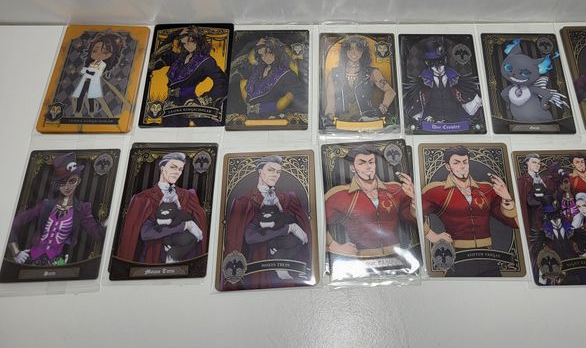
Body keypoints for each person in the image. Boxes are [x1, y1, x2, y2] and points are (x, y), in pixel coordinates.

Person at [422, 146, 518, 276]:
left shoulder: (487, 189)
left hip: (487, 256)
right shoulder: (436, 190)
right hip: (457, 255)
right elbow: (413, 215)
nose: (462, 166)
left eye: (465, 162)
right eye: (456, 163)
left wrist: (507, 198)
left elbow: (515, 223)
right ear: (448, 166)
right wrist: (432, 236)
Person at [224, 155, 311, 287]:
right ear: (260, 171)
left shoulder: (287, 198)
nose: (275, 175)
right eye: (271, 170)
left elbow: (303, 233)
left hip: (287, 263)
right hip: (258, 262)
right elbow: (248, 237)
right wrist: (288, 228)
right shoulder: (245, 201)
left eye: (278, 172)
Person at [8, 152, 107, 266]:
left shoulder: (82, 208)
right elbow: (13, 223)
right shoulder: (45, 205)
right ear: (57, 184)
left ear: (78, 181)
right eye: (62, 183)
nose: (67, 187)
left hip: (58, 261)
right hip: (32, 258)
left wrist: (113, 216)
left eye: (72, 181)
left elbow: (97, 234)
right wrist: (15, 251)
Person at [325, 146, 416, 258]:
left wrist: (415, 200)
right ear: (353, 168)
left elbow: (414, 219)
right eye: (362, 163)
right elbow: (316, 221)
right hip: (361, 259)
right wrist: (333, 246)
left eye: (371, 162)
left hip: (397, 256)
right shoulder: (339, 195)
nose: (368, 167)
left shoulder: (395, 189)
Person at [116, 153, 207, 264]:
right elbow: (143, 234)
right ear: (162, 168)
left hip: (184, 259)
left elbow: (200, 232)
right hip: (152, 259)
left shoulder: (188, 196)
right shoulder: (143, 198)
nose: (177, 172)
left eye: (180, 169)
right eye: (173, 167)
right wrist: (184, 225)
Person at [150, 26, 228, 126]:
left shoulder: (206, 61)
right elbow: (156, 58)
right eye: (184, 43)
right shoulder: (178, 58)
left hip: (189, 104)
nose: (187, 45)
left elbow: (223, 83)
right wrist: (175, 33)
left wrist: (202, 101)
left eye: (191, 41)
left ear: (198, 40)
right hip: (170, 104)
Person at [404, 41, 482, 132]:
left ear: (445, 60)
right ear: (427, 63)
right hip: (430, 127)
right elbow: (416, 113)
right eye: (433, 63)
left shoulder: (457, 80)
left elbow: (469, 110)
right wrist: (422, 119)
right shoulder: (421, 83)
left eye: (440, 62)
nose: (438, 67)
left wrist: (479, 97)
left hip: (457, 125)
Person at [324, 36, 396, 124]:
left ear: (363, 52)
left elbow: (390, 92)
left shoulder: (372, 72)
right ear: (345, 51)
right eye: (351, 49)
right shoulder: (334, 73)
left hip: (368, 119)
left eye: (358, 49)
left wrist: (382, 109)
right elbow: (330, 101)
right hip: (342, 120)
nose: (354, 53)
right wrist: (329, 118)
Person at [238, 37, 301, 119]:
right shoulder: (257, 70)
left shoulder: (287, 74)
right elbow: (238, 61)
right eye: (261, 55)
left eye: (268, 53)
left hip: (274, 117)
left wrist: (264, 109)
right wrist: (255, 44)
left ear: (276, 52)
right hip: (251, 117)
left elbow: (290, 98)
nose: (265, 57)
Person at [71, 32, 124, 117]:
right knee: (81, 95)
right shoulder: (91, 62)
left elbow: (97, 73)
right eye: (95, 51)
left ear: (110, 55)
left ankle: (92, 110)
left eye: (105, 52)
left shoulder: (102, 64)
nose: (98, 54)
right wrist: (88, 70)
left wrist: (88, 71)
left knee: (91, 96)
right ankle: (77, 110)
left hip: (92, 82)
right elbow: (84, 71)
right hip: (85, 81)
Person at [516, 153, 554, 233]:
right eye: (534, 162)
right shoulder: (522, 181)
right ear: (527, 163)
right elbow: (524, 201)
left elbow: (551, 193)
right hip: (534, 216)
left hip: (549, 214)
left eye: (538, 163)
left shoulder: (545, 179)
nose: (537, 165)